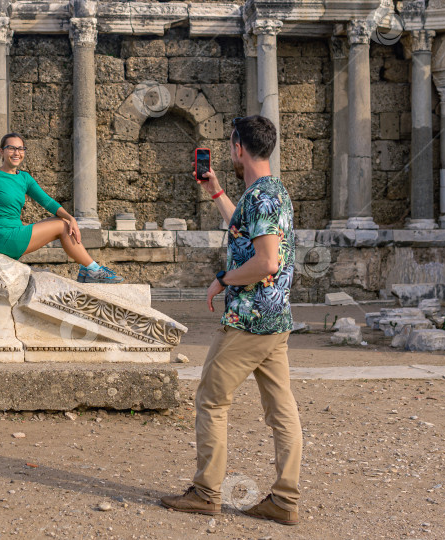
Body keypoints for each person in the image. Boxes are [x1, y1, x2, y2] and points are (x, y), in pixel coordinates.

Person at [160, 116, 302, 525]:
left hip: (249, 320)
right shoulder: (272, 192)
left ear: (239, 147)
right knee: (281, 409)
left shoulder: (261, 198)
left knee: (210, 399)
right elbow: (244, 231)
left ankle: (207, 493)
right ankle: (285, 500)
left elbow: (266, 261)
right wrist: (216, 191)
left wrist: (221, 280)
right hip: (276, 320)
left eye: (230, 145)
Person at [0, 133, 123, 284]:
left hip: (17, 232)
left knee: (63, 222)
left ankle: (87, 270)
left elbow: (47, 202)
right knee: (62, 226)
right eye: (11, 148)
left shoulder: (25, 178)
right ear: (1, 151)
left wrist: (71, 218)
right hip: (3, 238)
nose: (17, 152)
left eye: (21, 149)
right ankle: (93, 270)